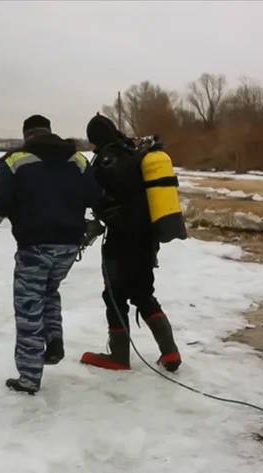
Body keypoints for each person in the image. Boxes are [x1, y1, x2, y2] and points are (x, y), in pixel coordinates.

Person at [0, 114, 99, 395]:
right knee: (49, 291)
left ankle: (29, 378)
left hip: (35, 247)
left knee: (28, 308)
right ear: (49, 132)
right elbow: (97, 197)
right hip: (69, 248)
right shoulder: (77, 160)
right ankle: (54, 339)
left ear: (27, 135)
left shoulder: (16, 161)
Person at [79, 114, 187, 372]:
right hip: (147, 238)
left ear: (94, 139)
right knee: (142, 293)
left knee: (114, 296)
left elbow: (100, 198)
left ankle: (118, 357)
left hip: (120, 240)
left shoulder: (106, 161)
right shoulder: (134, 153)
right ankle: (170, 353)